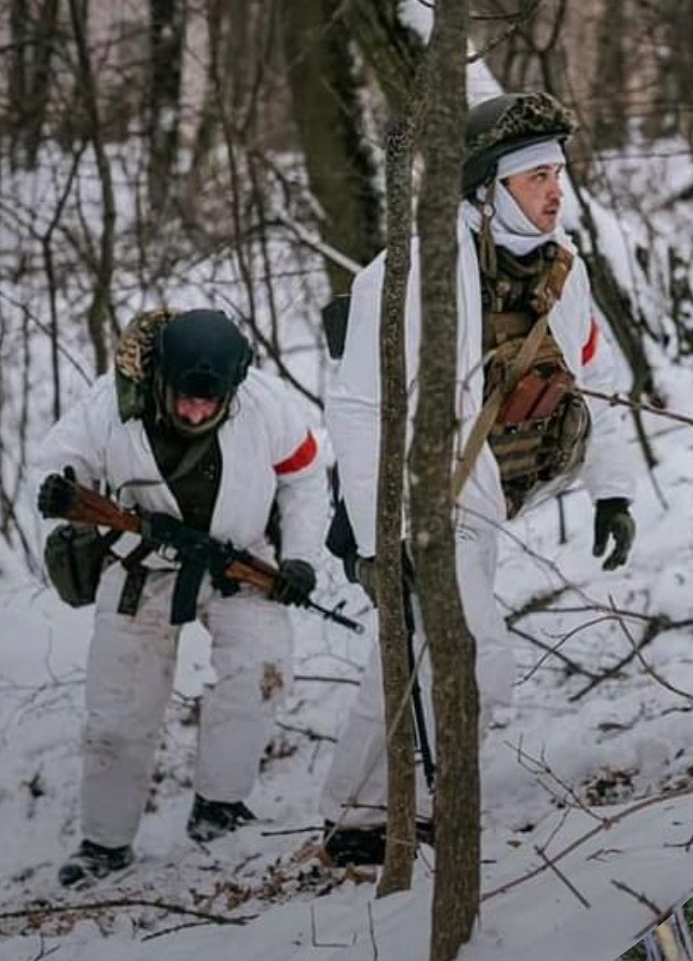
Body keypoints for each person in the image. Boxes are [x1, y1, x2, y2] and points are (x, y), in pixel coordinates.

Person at [320, 90, 640, 865]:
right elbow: (360, 410)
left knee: (414, 651)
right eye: (535, 178)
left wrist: (613, 488)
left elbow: (596, 377)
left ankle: (358, 814)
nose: (555, 191)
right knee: (472, 654)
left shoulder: (565, 271)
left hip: (491, 490)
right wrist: (380, 540)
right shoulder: (409, 275)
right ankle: (428, 807)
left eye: (557, 174)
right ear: (487, 192)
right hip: (418, 493)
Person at [32, 309, 326, 887]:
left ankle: (219, 806)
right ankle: (105, 844)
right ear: (162, 379)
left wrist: (299, 558)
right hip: (140, 566)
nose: (194, 412)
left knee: (260, 672)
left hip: (241, 560)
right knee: (118, 713)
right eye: (185, 399)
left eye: (208, 403)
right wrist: (61, 491)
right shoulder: (109, 408)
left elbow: (306, 478)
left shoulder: (267, 404)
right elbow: (58, 463)